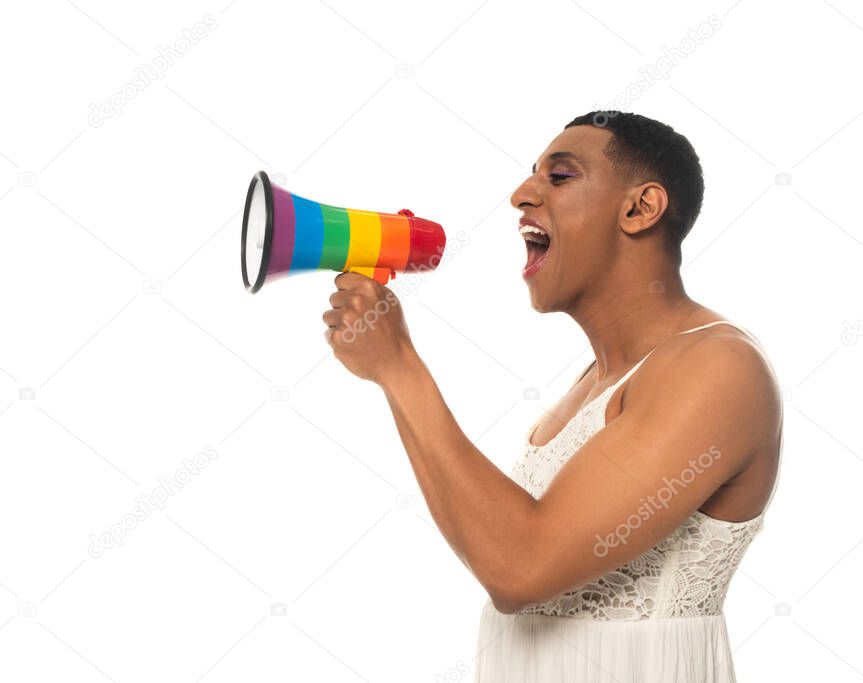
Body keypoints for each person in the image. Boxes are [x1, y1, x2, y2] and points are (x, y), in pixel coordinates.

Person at [321, 111, 782, 682]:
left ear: (640, 209)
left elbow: (518, 569)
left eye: (560, 177)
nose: (521, 194)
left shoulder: (718, 367)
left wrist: (399, 369)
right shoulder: (595, 383)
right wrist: (393, 370)